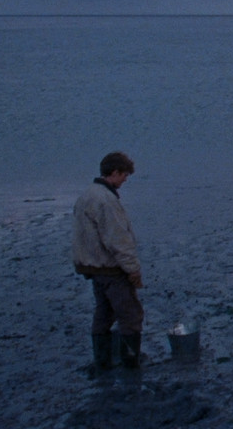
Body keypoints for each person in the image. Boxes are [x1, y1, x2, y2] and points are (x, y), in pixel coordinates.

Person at [72, 151, 144, 370]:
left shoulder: (87, 194)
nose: (125, 180)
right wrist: (133, 271)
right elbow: (118, 241)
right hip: (111, 269)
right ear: (114, 172)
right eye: (124, 175)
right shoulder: (106, 201)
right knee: (130, 315)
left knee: (103, 312)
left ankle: (102, 361)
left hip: (93, 267)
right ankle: (131, 363)